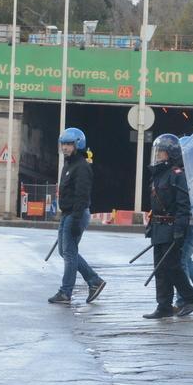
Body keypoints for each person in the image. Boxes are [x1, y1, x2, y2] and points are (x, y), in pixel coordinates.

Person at [48, 128, 107, 305]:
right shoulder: (68, 164)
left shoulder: (82, 167)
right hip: (68, 213)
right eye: (63, 144)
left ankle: (66, 292)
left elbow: (82, 195)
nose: (65, 148)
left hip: (76, 214)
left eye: (69, 144)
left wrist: (75, 219)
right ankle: (94, 280)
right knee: (65, 251)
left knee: (69, 253)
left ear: (77, 145)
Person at [143, 134, 193, 319]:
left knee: (172, 266)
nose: (158, 156)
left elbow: (183, 206)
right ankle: (163, 305)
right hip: (158, 227)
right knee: (160, 268)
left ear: (171, 154)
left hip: (171, 226)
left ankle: (190, 298)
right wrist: (151, 226)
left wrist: (180, 230)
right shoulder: (157, 175)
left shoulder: (177, 175)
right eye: (157, 152)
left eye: (162, 153)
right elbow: (155, 205)